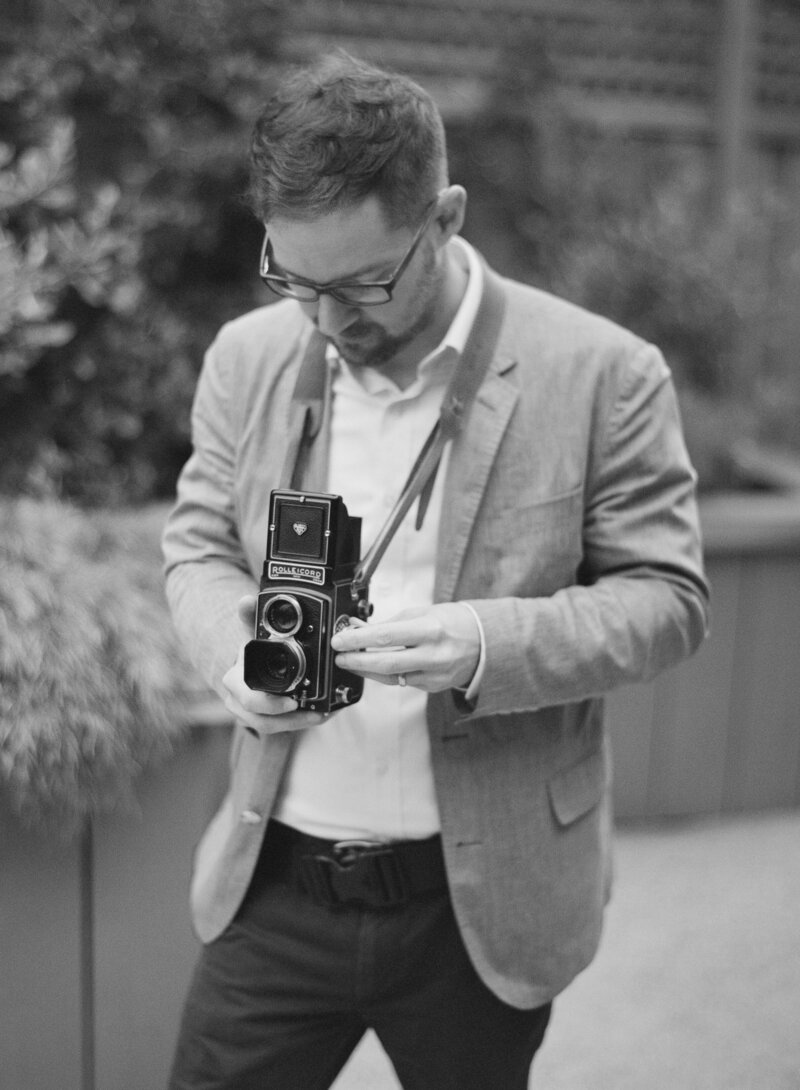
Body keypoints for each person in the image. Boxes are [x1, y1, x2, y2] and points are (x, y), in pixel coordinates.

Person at [162, 50, 709, 1090]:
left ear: (445, 217)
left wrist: (486, 644)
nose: (327, 323)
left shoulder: (606, 372)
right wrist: (238, 653)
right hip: (273, 880)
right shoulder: (246, 355)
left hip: (481, 907)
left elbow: (668, 601)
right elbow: (197, 547)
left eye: (362, 284)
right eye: (295, 281)